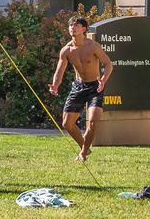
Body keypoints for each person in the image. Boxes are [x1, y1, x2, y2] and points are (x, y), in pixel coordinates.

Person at [48, 16, 113, 162]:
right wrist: (55, 85)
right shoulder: (66, 50)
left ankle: (83, 153)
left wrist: (103, 80)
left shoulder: (93, 46)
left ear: (83, 29)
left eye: (76, 25)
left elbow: (108, 64)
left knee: (93, 122)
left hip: (95, 87)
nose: (72, 27)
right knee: (67, 123)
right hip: (78, 86)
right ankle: (85, 147)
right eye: (71, 25)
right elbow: (59, 71)